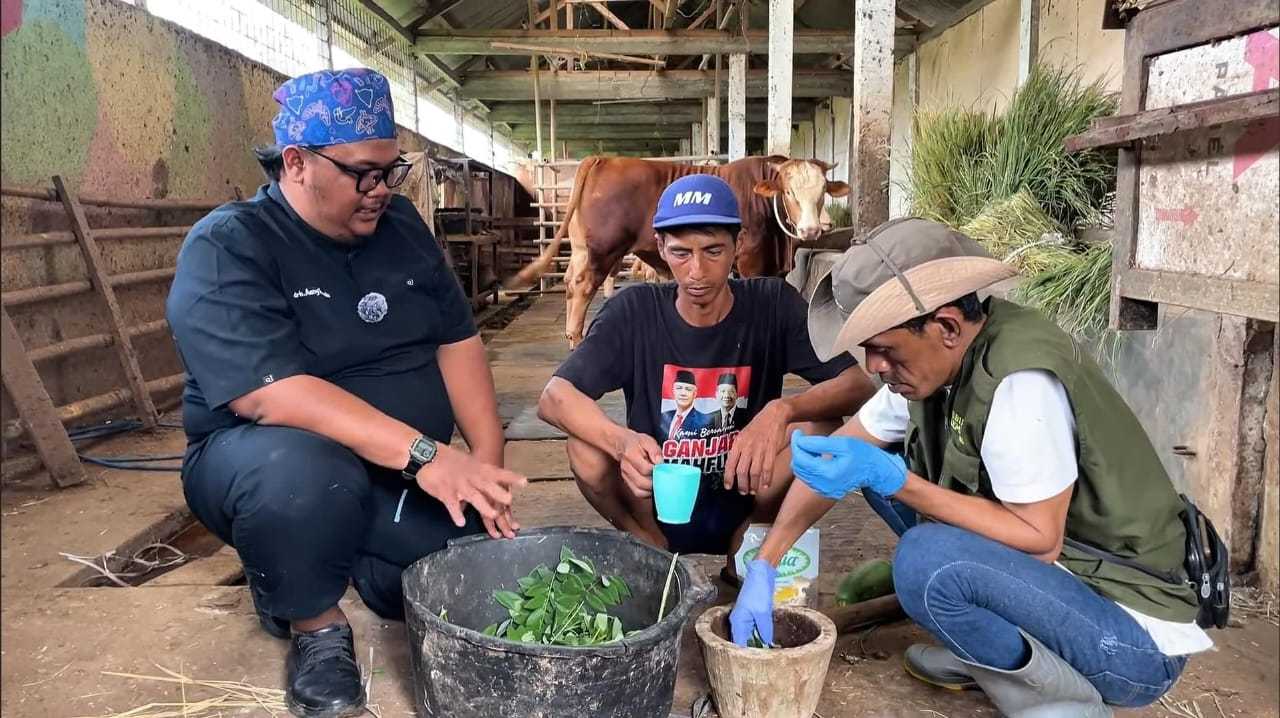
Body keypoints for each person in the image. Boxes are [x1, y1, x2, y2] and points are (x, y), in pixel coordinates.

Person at [730, 218, 1211, 716]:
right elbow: (835, 457)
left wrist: (898, 480)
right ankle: (990, 652)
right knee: (868, 469)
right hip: (1066, 585)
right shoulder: (929, 366)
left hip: (1131, 640)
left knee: (926, 559)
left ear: (947, 327)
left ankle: (1056, 697)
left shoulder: (1020, 383)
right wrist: (766, 562)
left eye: (884, 349)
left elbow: (1040, 539)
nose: (873, 367)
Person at [165, 68, 527, 718]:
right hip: (272, 459)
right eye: (362, 173)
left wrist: (484, 465)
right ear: (297, 162)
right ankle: (316, 625)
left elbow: (457, 340)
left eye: (391, 171)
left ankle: (325, 558)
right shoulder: (231, 244)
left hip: (396, 467)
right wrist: (427, 455)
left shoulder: (403, 225)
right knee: (305, 476)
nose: (380, 189)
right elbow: (270, 396)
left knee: (459, 573)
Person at [537, 174, 876, 582]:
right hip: (653, 498)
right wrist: (622, 442)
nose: (697, 271)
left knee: (823, 427)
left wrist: (781, 410)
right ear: (660, 247)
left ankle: (750, 539)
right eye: (681, 253)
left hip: (749, 489)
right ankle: (648, 543)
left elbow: (858, 385)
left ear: (738, 244)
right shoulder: (635, 311)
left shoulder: (771, 304)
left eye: (713, 250)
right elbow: (554, 396)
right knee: (585, 445)